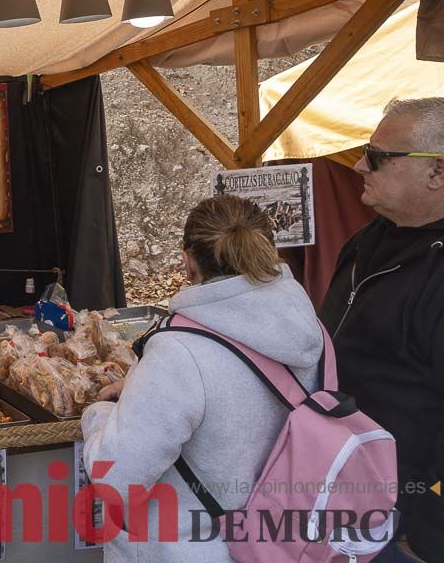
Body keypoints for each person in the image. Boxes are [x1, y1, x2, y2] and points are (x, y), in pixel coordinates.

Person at [82, 195, 323, 562]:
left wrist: (99, 415)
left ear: (188, 261)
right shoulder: (309, 329)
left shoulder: (180, 351)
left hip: (190, 548)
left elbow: (117, 479)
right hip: (279, 544)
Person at [319, 97, 444, 563]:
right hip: (344, 500)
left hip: (405, 525)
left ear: (437, 173)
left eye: (376, 156)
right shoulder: (365, 240)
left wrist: (425, 526)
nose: (357, 165)